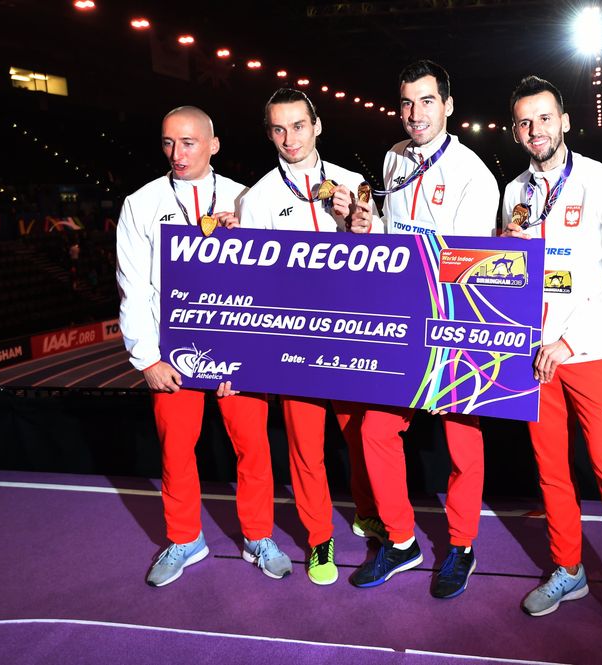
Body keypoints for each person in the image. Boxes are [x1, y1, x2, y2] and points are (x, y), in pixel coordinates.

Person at [501, 76, 602, 665]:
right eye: (523, 122)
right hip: (534, 360)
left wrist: (569, 339)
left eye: (543, 118)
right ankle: (568, 570)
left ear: (564, 120)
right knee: (552, 476)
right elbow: (513, 277)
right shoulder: (515, 189)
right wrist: (503, 250)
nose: (533, 130)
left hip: (590, 358)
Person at [116, 106, 292, 587]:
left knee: (253, 449)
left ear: (214, 145)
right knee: (176, 451)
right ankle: (185, 538)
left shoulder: (247, 198)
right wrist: (146, 358)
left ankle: (258, 535)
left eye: (189, 142)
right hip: (172, 355)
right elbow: (132, 286)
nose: (178, 153)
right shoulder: (141, 202)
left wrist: (254, 356)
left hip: (239, 355)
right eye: (169, 142)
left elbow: (271, 283)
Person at [349, 60, 499, 599]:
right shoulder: (393, 158)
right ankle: (403, 541)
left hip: (456, 325)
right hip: (402, 323)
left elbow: (469, 264)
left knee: (463, 447)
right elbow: (396, 235)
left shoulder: (474, 174)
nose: (415, 114)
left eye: (427, 101)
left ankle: (461, 546)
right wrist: (372, 229)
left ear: (448, 106)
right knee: (375, 431)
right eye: (407, 102)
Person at [237, 88, 386, 586]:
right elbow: (252, 283)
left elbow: (385, 258)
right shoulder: (256, 198)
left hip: (351, 335)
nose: (289, 138)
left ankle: (369, 513)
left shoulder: (352, 183)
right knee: (306, 448)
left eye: (298, 126)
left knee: (362, 436)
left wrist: (361, 227)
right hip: (293, 344)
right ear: (269, 133)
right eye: (278, 129)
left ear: (317, 125)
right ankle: (320, 536)